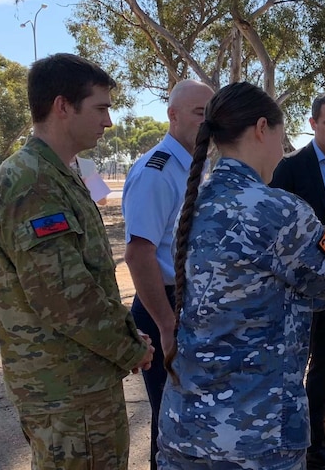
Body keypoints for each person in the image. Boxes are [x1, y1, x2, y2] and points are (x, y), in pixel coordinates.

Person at [156, 82, 325, 470]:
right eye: (282, 138)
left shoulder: (196, 201)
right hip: (254, 434)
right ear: (262, 129)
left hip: (185, 426)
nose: (282, 151)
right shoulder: (276, 209)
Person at [0, 53, 154, 470]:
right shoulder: (32, 182)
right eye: (100, 108)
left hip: (79, 383)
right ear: (62, 106)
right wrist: (130, 347)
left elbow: (83, 280)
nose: (109, 121)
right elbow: (64, 295)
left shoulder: (57, 173)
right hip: (68, 393)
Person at [122, 79, 214, 470]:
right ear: (172, 115)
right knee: (170, 424)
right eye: (199, 113)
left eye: (212, 115)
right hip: (164, 307)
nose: (207, 122)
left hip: (187, 304)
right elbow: (138, 253)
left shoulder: (197, 165)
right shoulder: (157, 172)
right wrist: (166, 324)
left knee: (193, 421)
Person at [269, 92, 325, 470]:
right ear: (312, 124)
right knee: (290, 372)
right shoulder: (289, 168)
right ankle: (283, 450)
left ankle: (316, 448)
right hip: (300, 292)